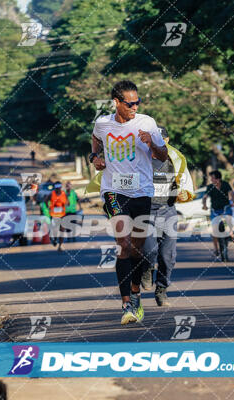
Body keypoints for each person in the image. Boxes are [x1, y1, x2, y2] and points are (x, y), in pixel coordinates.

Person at [89, 80, 168, 325]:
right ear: (116, 102)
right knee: (123, 242)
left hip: (142, 191)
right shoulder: (103, 123)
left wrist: (152, 144)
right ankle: (127, 304)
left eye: (137, 102)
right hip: (113, 190)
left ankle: (135, 291)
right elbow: (95, 140)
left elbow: (163, 156)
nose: (134, 107)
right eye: (129, 103)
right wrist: (95, 157)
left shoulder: (147, 123)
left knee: (138, 249)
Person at [139, 126, 195, 306]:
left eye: (161, 139)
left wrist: (184, 194)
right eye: (153, 139)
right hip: (146, 212)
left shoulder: (175, 160)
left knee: (167, 256)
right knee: (149, 250)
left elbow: (185, 185)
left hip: (168, 211)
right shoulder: (141, 160)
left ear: (167, 141)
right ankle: (146, 268)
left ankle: (161, 290)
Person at [202, 170, 234, 261]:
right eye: (211, 178)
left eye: (212, 178)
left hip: (225, 208)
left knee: (227, 220)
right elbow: (205, 197)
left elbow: (231, 194)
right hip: (215, 211)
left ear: (218, 179)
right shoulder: (210, 187)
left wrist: (233, 201)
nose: (211, 180)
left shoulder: (225, 184)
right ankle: (216, 249)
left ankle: (232, 234)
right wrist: (204, 205)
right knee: (214, 229)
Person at [48, 182, 68, 252]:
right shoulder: (51, 194)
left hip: (62, 215)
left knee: (62, 230)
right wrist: (49, 207)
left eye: (59, 188)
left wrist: (65, 203)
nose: (58, 189)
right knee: (55, 230)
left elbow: (67, 202)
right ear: (55, 188)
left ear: (60, 187)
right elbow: (45, 200)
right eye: (57, 188)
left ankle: (60, 246)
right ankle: (54, 239)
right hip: (54, 215)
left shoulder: (63, 194)